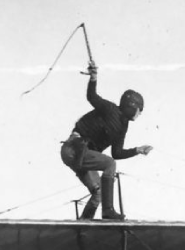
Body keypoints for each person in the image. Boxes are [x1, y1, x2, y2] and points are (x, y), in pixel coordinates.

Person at [60, 62, 153, 220]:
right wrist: (94, 78)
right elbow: (92, 97)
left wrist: (137, 150)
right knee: (109, 164)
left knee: (99, 193)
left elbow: (116, 153)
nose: (140, 114)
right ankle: (108, 210)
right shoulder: (110, 109)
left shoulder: (122, 127)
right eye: (139, 110)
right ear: (132, 106)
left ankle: (83, 226)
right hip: (74, 149)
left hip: (81, 154)